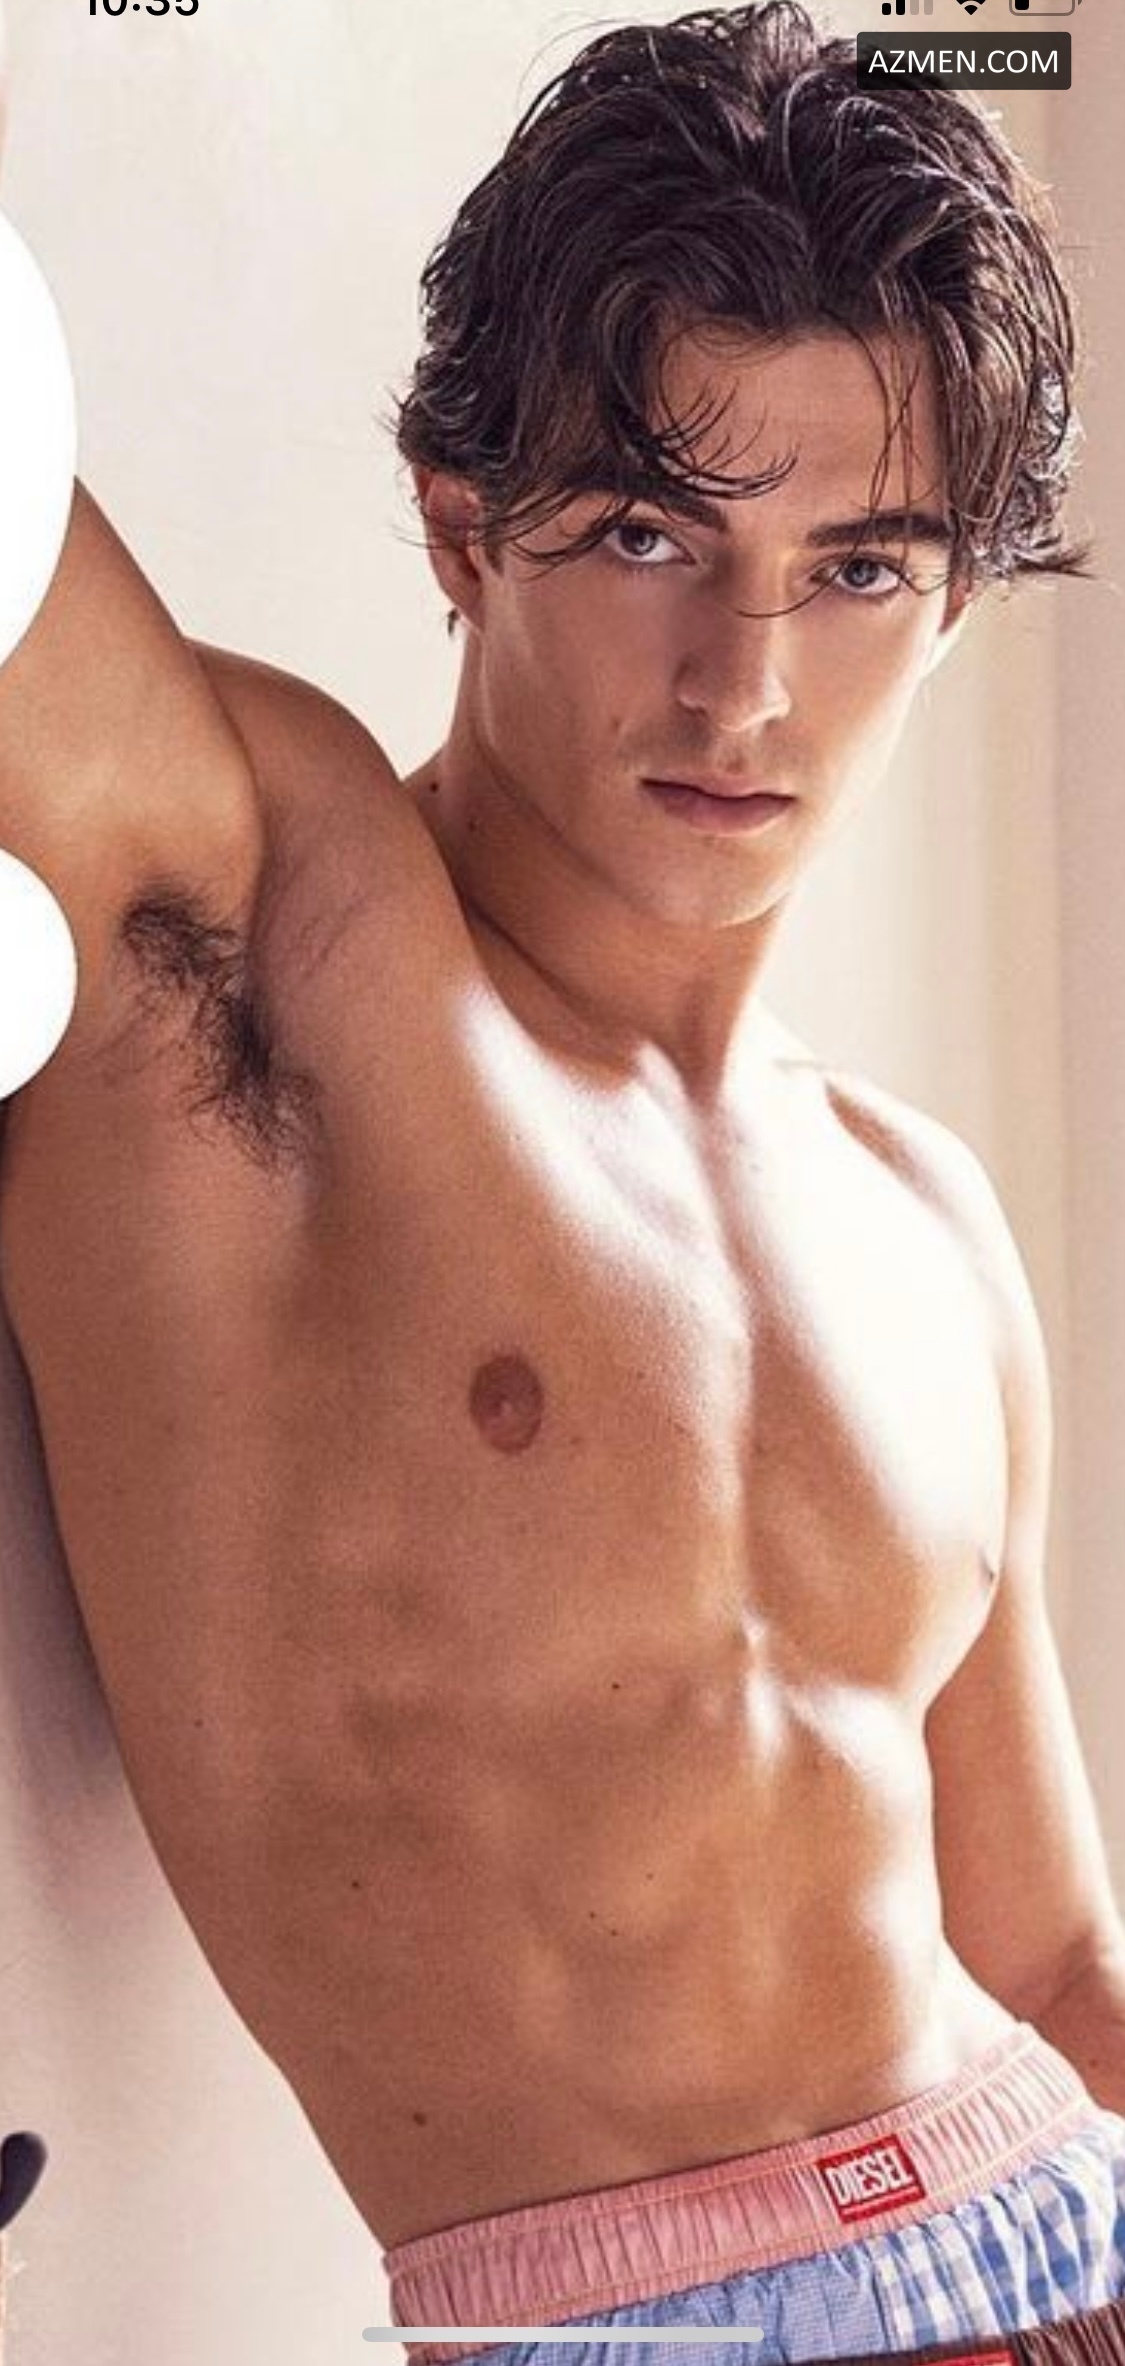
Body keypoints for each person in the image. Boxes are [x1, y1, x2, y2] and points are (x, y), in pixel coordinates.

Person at [1, 3, 1124, 2360]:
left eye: (855, 568)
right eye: (645, 532)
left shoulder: (921, 1219)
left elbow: (1043, 1960)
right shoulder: (276, 949)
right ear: (459, 524)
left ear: (952, 603)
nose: (742, 684)